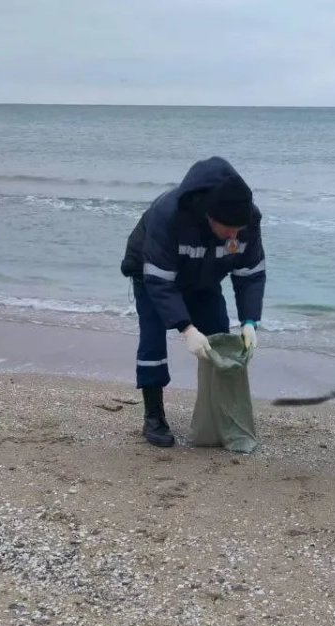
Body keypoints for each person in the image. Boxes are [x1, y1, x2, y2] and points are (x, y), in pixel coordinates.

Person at [120, 156, 266, 448]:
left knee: (219, 335)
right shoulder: (168, 215)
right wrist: (186, 329)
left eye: (239, 230)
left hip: (203, 278)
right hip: (150, 273)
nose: (234, 236)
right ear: (209, 217)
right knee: (152, 340)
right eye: (228, 230)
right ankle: (153, 416)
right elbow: (160, 282)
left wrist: (250, 320)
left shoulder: (246, 220)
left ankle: (218, 415)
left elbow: (250, 273)